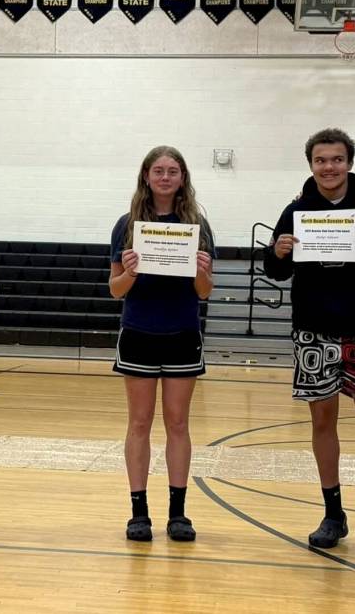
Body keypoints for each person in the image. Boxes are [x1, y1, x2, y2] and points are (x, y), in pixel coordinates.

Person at [263, 128, 355, 557]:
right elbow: (274, 271)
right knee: (322, 423)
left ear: (349, 161)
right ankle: (333, 514)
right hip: (313, 330)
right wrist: (280, 251)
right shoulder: (296, 210)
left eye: (337, 159)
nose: (329, 167)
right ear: (311, 164)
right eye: (321, 160)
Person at [108, 145, 215, 542]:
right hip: (138, 333)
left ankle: (178, 513)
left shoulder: (198, 225)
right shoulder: (127, 224)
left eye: (173, 171)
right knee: (138, 423)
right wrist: (132, 272)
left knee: (178, 423)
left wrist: (201, 271)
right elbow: (115, 290)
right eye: (159, 171)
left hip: (183, 334)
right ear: (147, 177)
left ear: (182, 178)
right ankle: (139, 512)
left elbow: (204, 292)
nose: (166, 177)